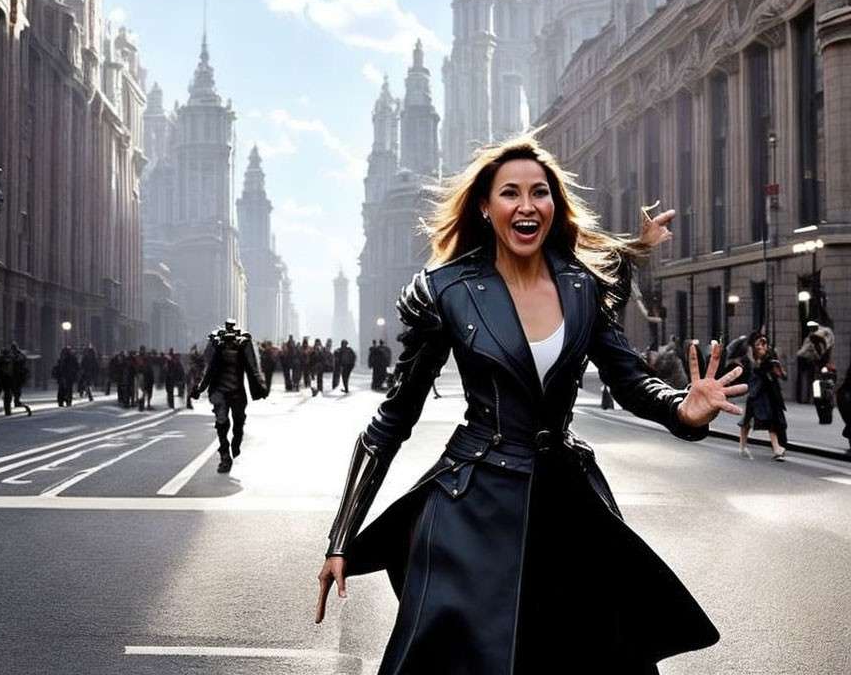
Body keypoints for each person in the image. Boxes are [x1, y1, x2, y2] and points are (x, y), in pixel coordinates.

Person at [315, 134, 746, 674]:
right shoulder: (445, 290)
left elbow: (631, 381)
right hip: (470, 505)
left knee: (587, 656)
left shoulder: (584, 286)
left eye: (539, 192)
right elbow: (393, 419)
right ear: (484, 206)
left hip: (566, 503)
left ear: (553, 206)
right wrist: (341, 536)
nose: (526, 205)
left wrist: (683, 408)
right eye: (510, 193)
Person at [191, 319, 268, 473]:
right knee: (222, 423)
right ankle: (225, 456)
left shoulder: (243, 344)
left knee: (238, 423)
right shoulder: (215, 344)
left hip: (237, 391)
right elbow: (207, 368)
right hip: (220, 391)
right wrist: (199, 388)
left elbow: (254, 367)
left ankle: (235, 443)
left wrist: (260, 385)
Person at [737, 332, 788, 460]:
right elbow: (755, 370)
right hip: (755, 393)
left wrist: (777, 369)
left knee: (770, 421)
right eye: (758, 344)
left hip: (768, 393)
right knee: (747, 421)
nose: (761, 347)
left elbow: (781, 374)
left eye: (763, 343)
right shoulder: (750, 359)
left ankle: (777, 449)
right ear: (753, 346)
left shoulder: (770, 357)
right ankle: (743, 447)